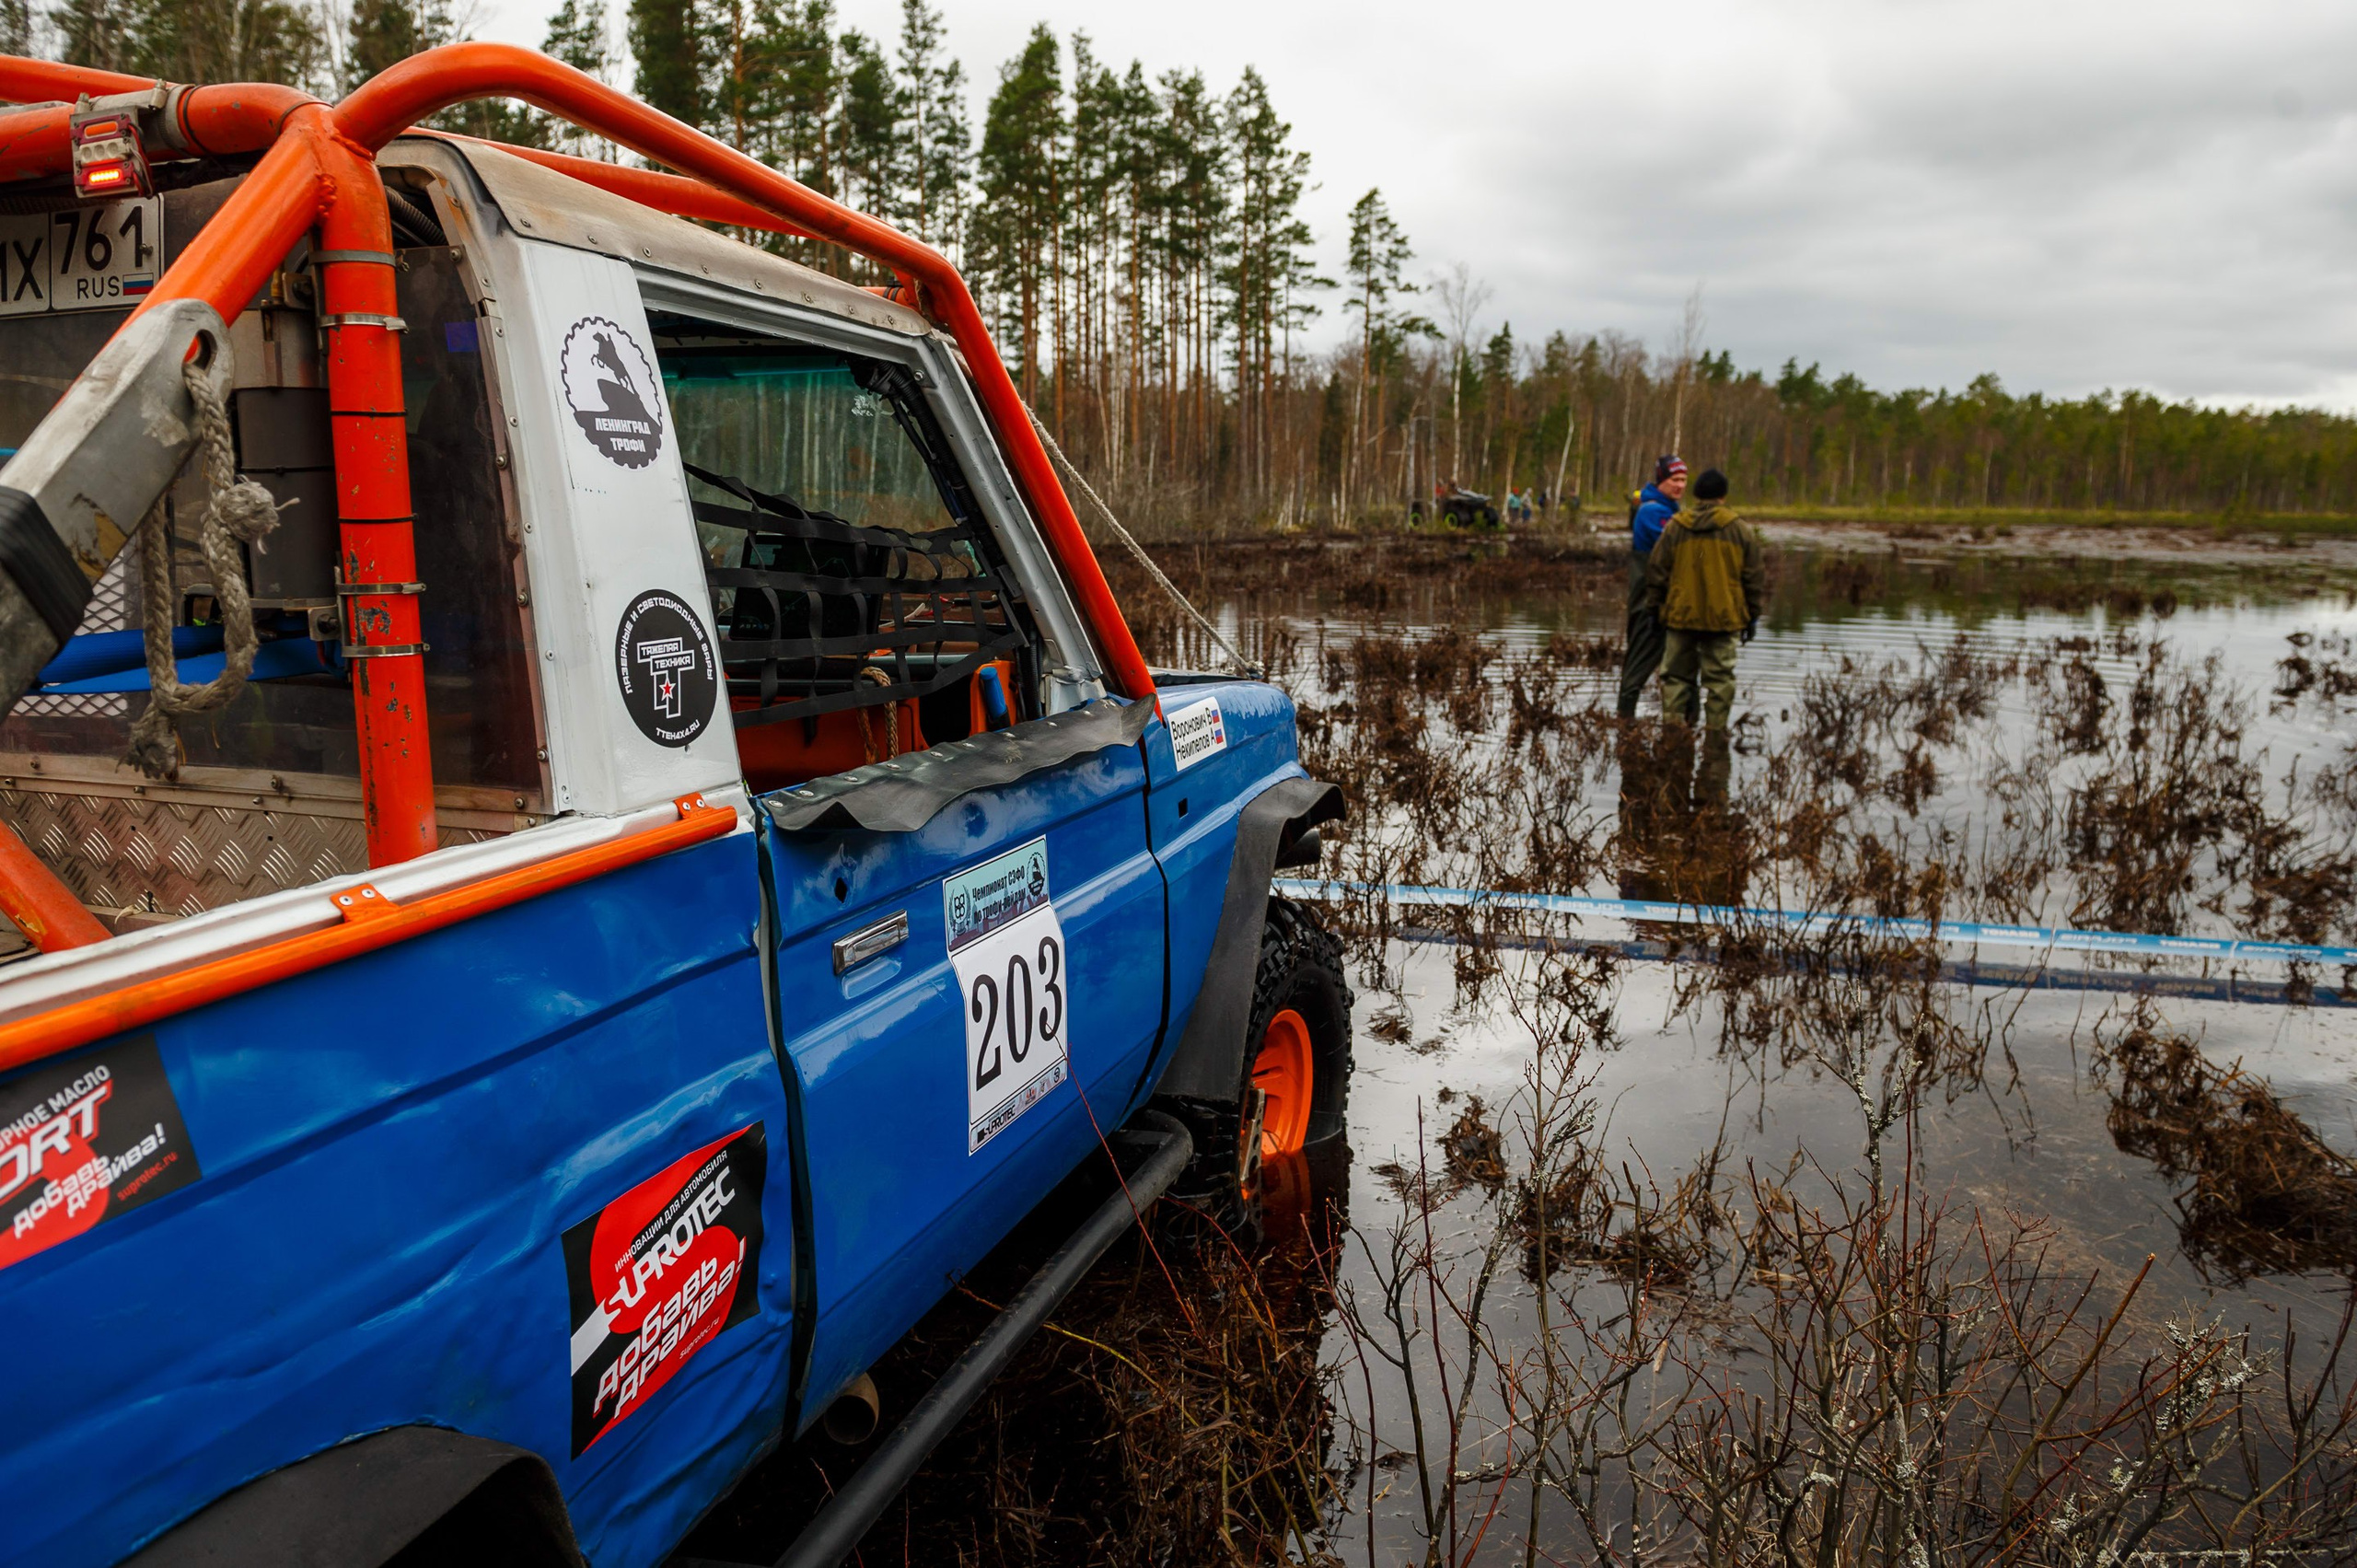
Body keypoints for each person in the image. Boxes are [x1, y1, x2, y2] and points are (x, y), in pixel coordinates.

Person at [1643, 467, 1762, 731]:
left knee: (1675, 679)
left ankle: (1673, 736)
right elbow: (1753, 578)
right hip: (1724, 620)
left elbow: (1656, 572)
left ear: (1696, 495)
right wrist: (1753, 617)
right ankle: (1715, 739)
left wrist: (1654, 611)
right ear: (1723, 495)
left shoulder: (1675, 527)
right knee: (1720, 681)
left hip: (1680, 617)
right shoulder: (1739, 530)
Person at [1614, 456, 1686, 719]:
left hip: (1668, 601)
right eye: (1674, 479)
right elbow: (1677, 551)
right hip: (1647, 601)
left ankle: (1682, 726)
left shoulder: (1670, 510)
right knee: (1638, 666)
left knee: (1680, 668)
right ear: (1661, 480)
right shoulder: (1651, 512)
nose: (1680, 485)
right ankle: (1624, 723)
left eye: (1683, 480)